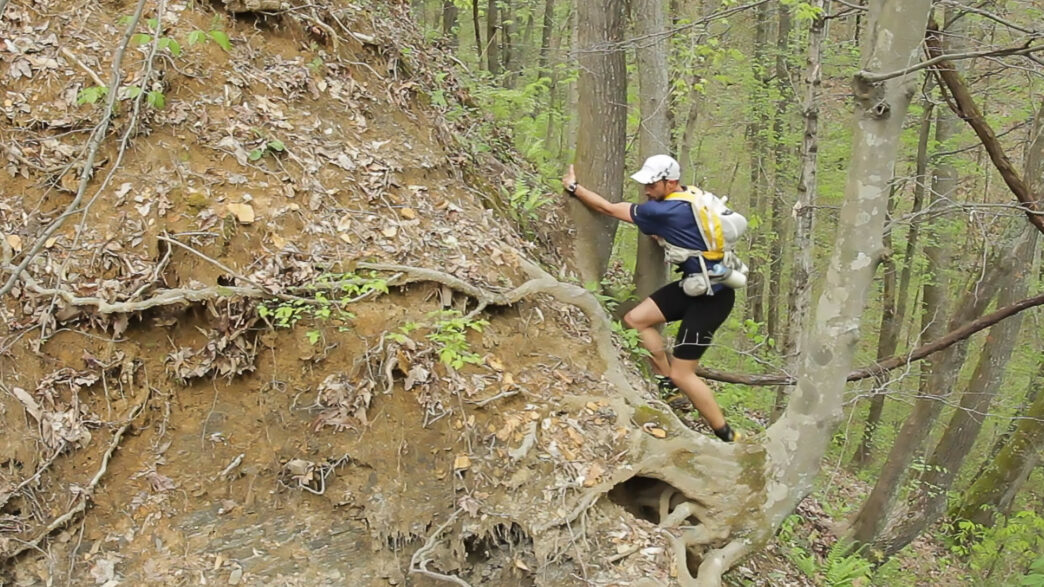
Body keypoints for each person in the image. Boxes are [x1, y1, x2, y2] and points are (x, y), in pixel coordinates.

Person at [562, 155, 740, 442]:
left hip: (712, 300)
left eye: (651, 184)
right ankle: (666, 382)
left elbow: (606, 208)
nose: (646, 189)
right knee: (636, 319)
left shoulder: (665, 211)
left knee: (686, 375)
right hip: (698, 285)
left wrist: (574, 188)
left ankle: (726, 434)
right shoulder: (691, 195)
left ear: (669, 182)